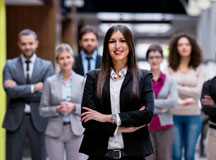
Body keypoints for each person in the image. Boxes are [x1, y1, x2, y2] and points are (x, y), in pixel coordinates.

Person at [79, 24, 154, 160]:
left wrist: (107, 118)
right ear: (106, 46)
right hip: (100, 154)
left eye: (122, 41)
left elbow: (147, 114)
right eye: (112, 41)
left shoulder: (144, 77)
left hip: (133, 154)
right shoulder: (93, 77)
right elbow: (87, 120)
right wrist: (119, 128)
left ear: (130, 44)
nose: (117, 46)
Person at [2, 29, 54, 160]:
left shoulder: (47, 66)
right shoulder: (9, 65)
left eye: (30, 43)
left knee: (40, 157)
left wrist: (19, 89)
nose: (27, 47)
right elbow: (10, 92)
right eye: (24, 44)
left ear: (36, 43)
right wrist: (33, 88)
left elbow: (46, 94)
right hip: (15, 120)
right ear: (19, 44)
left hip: (39, 119)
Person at [39, 43, 85, 160]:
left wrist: (73, 107)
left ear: (72, 59)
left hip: (76, 132)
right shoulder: (50, 81)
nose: (65, 61)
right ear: (57, 61)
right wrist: (57, 109)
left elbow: (87, 107)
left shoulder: (82, 80)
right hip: (54, 132)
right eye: (62, 58)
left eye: (68, 57)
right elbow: (42, 110)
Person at [165, 32, 204, 160]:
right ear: (176, 48)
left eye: (187, 44)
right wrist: (186, 91)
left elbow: (199, 92)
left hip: (193, 116)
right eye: (180, 44)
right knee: (175, 155)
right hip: (173, 115)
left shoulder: (199, 68)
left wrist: (175, 87)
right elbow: (166, 90)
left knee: (189, 155)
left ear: (192, 47)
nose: (184, 47)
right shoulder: (169, 68)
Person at [145, 44, 178, 160]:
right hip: (146, 128)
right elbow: (140, 104)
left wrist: (150, 105)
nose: (154, 60)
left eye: (157, 57)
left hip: (166, 128)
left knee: (165, 158)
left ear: (162, 59)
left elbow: (173, 102)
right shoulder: (142, 80)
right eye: (151, 57)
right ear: (147, 59)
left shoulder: (170, 81)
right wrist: (164, 104)